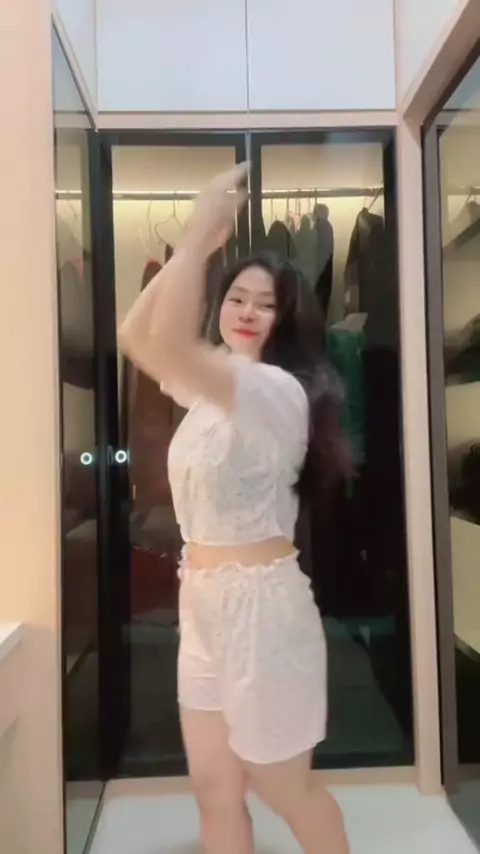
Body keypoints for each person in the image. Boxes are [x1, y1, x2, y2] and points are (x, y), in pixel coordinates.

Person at [118, 164, 351, 854]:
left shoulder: (275, 391)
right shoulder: (210, 388)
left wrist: (195, 239)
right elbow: (136, 337)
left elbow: (168, 344)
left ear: (288, 319)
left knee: (286, 790)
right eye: (236, 297)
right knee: (214, 792)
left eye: (265, 304)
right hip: (202, 601)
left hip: (263, 613)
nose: (246, 312)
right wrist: (195, 250)